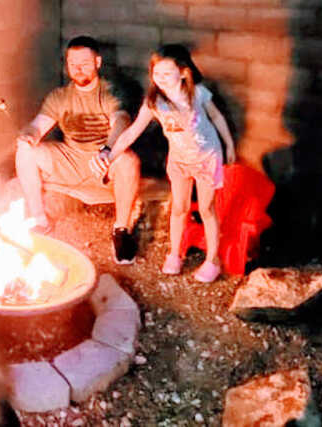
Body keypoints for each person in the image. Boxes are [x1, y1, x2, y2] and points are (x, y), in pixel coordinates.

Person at [93, 44, 236, 283]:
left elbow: (217, 116)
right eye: (156, 73)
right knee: (178, 207)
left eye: (167, 73)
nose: (160, 79)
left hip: (206, 158)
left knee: (206, 209)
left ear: (183, 73)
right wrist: (110, 155)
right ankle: (174, 253)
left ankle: (213, 259)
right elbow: (131, 133)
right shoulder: (154, 102)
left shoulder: (197, 93)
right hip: (179, 160)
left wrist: (229, 144)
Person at [16, 36, 142, 264]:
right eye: (72, 63)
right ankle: (39, 220)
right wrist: (29, 135)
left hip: (102, 163)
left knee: (128, 160)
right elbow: (37, 125)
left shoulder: (110, 92)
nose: (78, 68)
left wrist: (107, 150)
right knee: (26, 150)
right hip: (70, 159)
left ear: (98, 62)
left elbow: (121, 121)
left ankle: (121, 230)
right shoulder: (60, 96)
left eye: (84, 62)